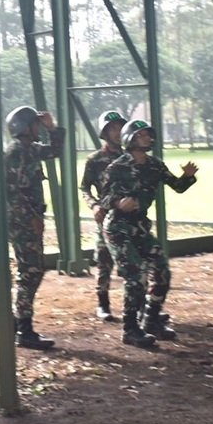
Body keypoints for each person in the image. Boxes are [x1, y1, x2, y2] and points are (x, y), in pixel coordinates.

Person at [101, 120, 198, 349]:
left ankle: (151, 320)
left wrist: (187, 176)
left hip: (140, 228)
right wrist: (118, 202)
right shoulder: (117, 167)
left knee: (162, 271)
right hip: (118, 228)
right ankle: (130, 328)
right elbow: (104, 198)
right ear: (130, 139)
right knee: (135, 277)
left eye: (149, 135)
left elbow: (178, 186)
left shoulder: (155, 165)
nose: (148, 138)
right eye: (142, 135)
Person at [4, 105, 64, 350]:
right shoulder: (16, 152)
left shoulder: (30, 149)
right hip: (22, 223)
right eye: (37, 124)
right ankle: (23, 329)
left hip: (29, 221)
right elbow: (11, 192)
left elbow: (56, 151)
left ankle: (19, 322)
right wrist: (31, 217)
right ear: (25, 128)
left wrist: (53, 129)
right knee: (30, 271)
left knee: (33, 270)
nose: (39, 128)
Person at [80, 110, 126, 322]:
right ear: (105, 133)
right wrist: (94, 206)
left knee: (134, 262)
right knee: (104, 260)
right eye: (113, 129)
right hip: (105, 216)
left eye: (119, 128)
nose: (117, 133)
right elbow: (84, 188)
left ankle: (138, 304)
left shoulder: (129, 157)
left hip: (128, 217)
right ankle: (103, 303)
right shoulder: (95, 159)